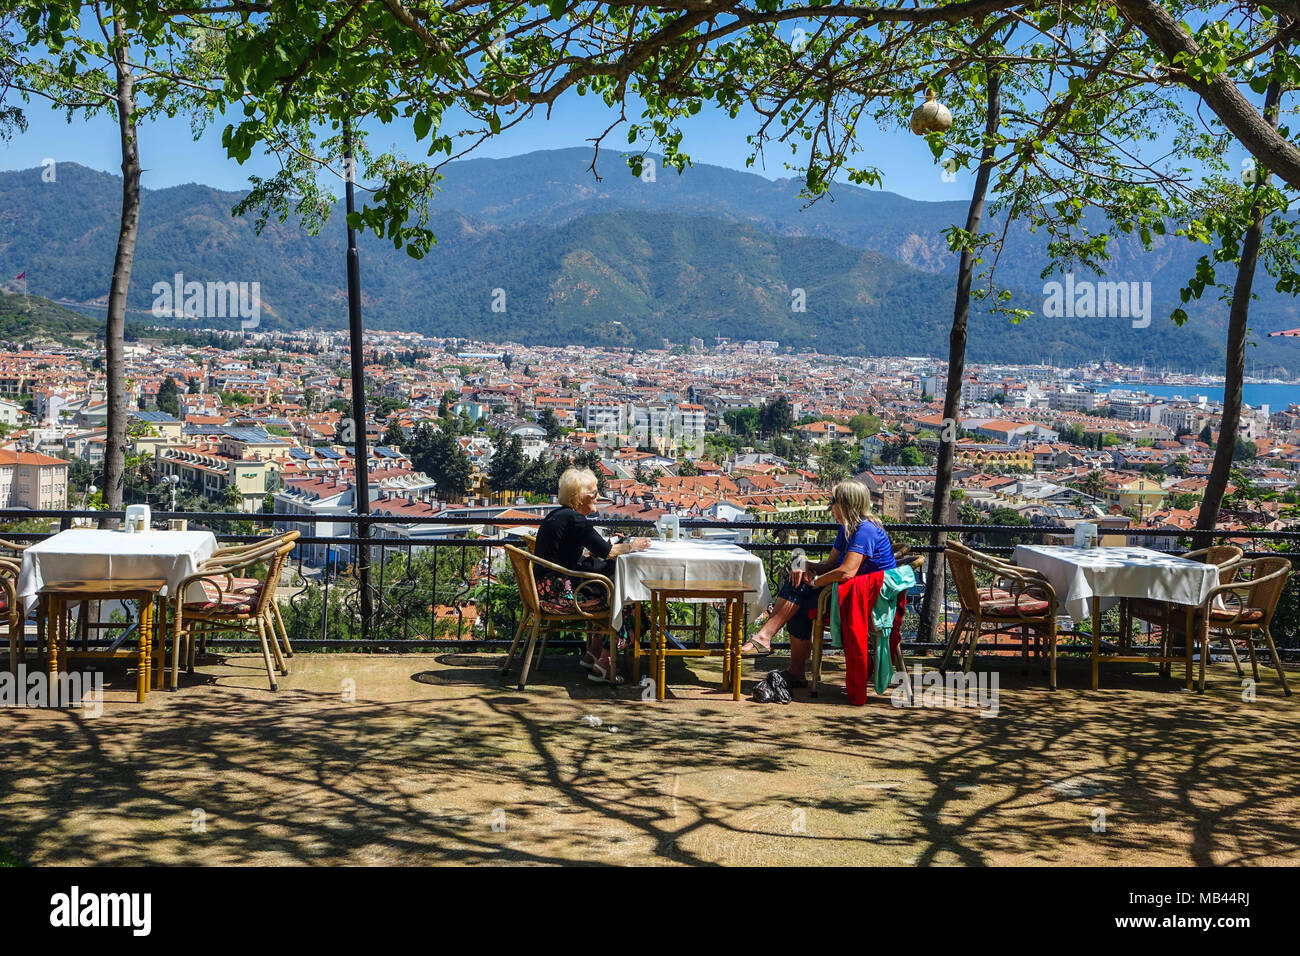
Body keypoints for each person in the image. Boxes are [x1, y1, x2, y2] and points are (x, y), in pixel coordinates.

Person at [741, 479, 895, 688]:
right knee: (799, 594)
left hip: (868, 599)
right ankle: (773, 648)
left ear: (846, 503)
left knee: (801, 590)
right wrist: (802, 564)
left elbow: (846, 572)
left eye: (833, 500)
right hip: (848, 593)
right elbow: (830, 564)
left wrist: (815, 581)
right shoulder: (846, 530)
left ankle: (771, 644)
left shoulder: (865, 530)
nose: (830, 506)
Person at [534, 466, 650, 683]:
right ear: (579, 497)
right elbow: (608, 552)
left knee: (615, 595)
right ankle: (604, 664)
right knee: (628, 604)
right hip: (564, 596)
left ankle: (594, 653)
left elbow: (572, 552)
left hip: (546, 589)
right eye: (594, 492)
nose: (599, 496)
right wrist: (634, 546)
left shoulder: (558, 516)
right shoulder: (576, 520)